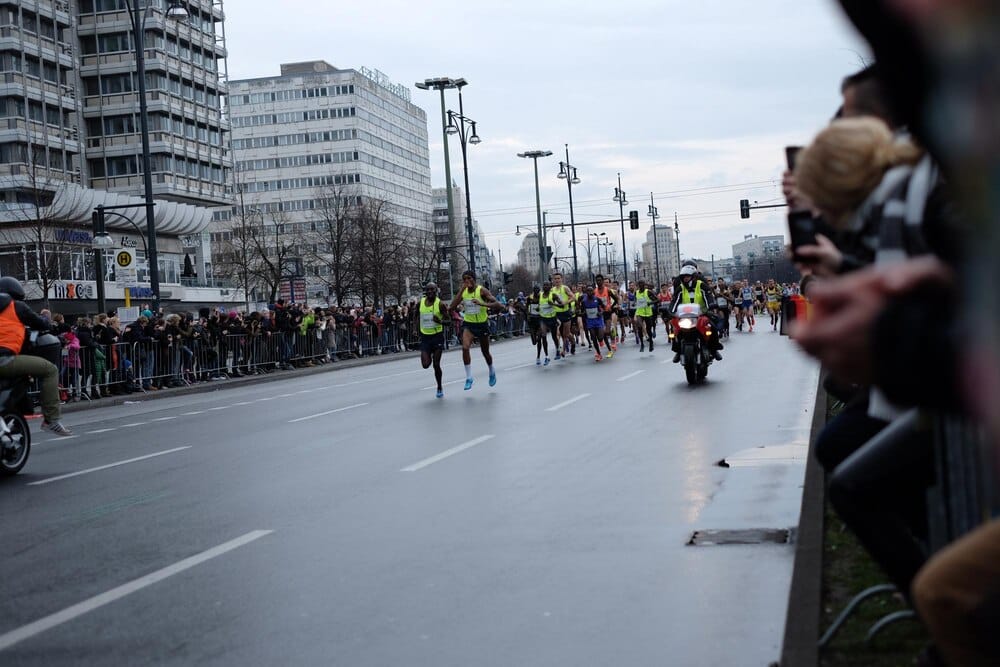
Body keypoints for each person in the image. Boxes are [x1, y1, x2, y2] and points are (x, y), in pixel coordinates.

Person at [0, 277, 71, 435]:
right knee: (50, 370)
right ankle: (51, 420)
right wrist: (48, 322)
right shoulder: (16, 306)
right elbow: (41, 323)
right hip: (4, 359)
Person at [448, 270, 503, 390]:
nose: (467, 281)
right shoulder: (464, 292)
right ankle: (469, 377)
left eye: (469, 278)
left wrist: (482, 304)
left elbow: (498, 304)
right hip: (469, 324)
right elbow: (451, 307)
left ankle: (491, 370)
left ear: (474, 279)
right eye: (464, 279)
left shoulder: (481, 290)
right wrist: (462, 290)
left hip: (482, 324)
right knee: (465, 347)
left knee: (485, 353)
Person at [670, 265, 723, 363]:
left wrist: (710, 306)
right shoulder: (680, 288)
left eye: (688, 276)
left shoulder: (701, 285)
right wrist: (671, 312)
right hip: (684, 316)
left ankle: (714, 349)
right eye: (683, 277)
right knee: (674, 329)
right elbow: (675, 301)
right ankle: (678, 350)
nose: (685, 278)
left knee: (712, 327)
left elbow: (708, 297)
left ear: (693, 277)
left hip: (701, 314)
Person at [418, 283, 449, 398]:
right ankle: (429, 355)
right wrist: (416, 330)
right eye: (428, 290)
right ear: (425, 291)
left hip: (437, 337)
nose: (430, 291)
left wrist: (440, 321)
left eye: (432, 289)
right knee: (426, 365)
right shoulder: (421, 302)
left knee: (436, 364)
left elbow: (449, 322)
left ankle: (439, 387)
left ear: (436, 290)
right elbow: (417, 316)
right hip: (425, 337)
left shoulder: (440, 304)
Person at [550, 272, 575, 358]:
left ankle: (573, 342)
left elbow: (573, 297)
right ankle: (562, 351)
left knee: (566, 334)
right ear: (553, 280)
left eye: (558, 278)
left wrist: (566, 302)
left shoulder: (565, 288)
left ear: (561, 279)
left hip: (566, 312)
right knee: (558, 332)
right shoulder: (552, 290)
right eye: (555, 279)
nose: (557, 280)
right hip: (556, 314)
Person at [579, 286, 607, 362]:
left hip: (598, 320)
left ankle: (601, 341)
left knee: (600, 337)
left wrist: (600, 313)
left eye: (591, 291)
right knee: (593, 337)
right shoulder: (584, 301)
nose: (589, 292)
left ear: (593, 292)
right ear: (586, 292)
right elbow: (582, 311)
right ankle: (598, 353)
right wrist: (582, 314)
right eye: (588, 291)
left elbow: (604, 308)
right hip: (590, 321)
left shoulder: (597, 299)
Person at [593, 274, 618, 356]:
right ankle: (604, 346)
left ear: (602, 281)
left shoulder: (608, 290)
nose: (599, 282)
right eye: (597, 280)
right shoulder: (594, 291)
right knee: (601, 332)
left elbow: (616, 299)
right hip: (599, 314)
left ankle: (611, 333)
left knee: (607, 332)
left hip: (607, 312)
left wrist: (611, 306)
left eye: (600, 280)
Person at [536, 281, 558, 366]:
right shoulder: (540, 295)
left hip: (552, 318)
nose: (545, 286)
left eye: (547, 285)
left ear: (550, 286)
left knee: (554, 336)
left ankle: (558, 350)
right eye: (544, 285)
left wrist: (553, 304)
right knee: (543, 336)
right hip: (543, 318)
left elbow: (561, 305)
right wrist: (538, 307)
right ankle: (547, 356)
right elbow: (539, 304)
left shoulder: (553, 295)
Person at [633, 280, 656, 351]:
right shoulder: (636, 293)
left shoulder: (648, 292)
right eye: (639, 284)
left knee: (649, 330)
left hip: (648, 313)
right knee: (639, 326)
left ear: (644, 285)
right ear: (638, 285)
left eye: (642, 284)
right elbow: (635, 301)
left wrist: (650, 303)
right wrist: (634, 304)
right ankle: (642, 344)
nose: (640, 286)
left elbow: (657, 300)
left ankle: (651, 343)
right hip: (639, 312)